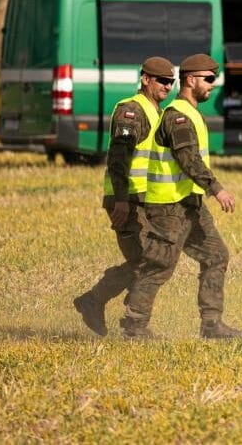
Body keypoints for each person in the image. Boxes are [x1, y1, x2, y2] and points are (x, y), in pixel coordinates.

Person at [121, 54, 242, 340]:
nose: (213, 84)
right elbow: (188, 158)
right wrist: (217, 189)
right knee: (160, 264)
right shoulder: (177, 117)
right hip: (167, 207)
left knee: (216, 256)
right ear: (190, 80)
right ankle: (134, 326)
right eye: (209, 79)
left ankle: (211, 325)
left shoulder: (191, 113)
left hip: (190, 204)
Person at [73, 56, 175, 336]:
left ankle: (106, 306)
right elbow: (119, 159)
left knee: (151, 260)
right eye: (162, 80)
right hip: (127, 200)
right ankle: (109, 309)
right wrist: (120, 199)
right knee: (147, 261)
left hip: (144, 200)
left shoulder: (155, 112)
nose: (167, 86)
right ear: (145, 79)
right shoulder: (132, 111)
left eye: (171, 81)